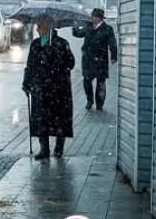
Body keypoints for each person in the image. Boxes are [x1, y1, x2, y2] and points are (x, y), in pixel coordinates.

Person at [22, 15, 75, 159]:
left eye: (40, 26)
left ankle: (59, 146)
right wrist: (26, 83)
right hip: (40, 89)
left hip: (59, 89)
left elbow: (71, 63)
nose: (37, 29)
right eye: (37, 26)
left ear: (48, 27)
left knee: (59, 118)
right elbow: (30, 66)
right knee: (41, 119)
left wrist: (55, 58)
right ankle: (44, 149)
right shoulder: (35, 44)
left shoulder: (62, 43)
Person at [76, 8, 118, 110]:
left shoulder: (107, 29)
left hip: (101, 59)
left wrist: (113, 56)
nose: (91, 18)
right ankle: (89, 100)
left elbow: (112, 43)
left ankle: (100, 104)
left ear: (99, 18)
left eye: (93, 16)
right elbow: (78, 34)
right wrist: (75, 26)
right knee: (87, 81)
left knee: (101, 83)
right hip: (88, 59)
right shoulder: (88, 27)